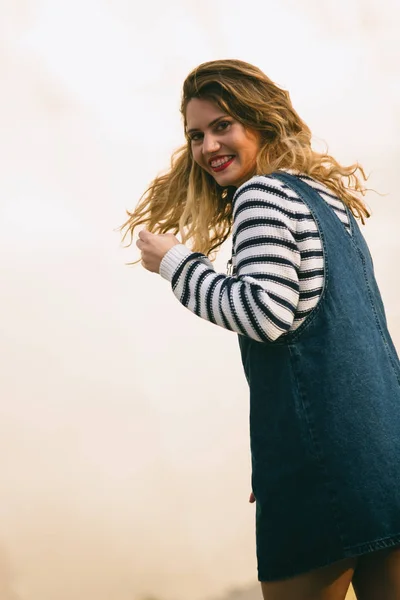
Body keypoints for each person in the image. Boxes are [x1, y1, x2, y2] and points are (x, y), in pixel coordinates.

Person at [121, 59, 400, 600]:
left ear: (261, 122)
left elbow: (264, 313)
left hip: (326, 469)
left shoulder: (262, 196)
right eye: (196, 135)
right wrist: (281, 446)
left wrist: (175, 262)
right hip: (384, 451)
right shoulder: (325, 200)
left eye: (222, 125)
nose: (207, 146)